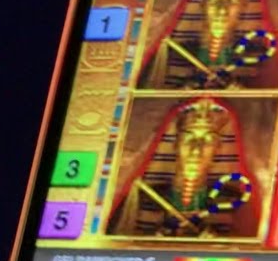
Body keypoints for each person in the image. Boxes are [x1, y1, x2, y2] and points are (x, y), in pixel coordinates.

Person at [108, 97, 255, 237]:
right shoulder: (145, 196)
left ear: (218, 148)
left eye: (207, 140)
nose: (196, 150)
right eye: (188, 138)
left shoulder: (229, 200)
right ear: (175, 143)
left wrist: (216, 243)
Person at [139, 0, 278, 90]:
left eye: (233, 1)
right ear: (202, 3)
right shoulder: (177, 52)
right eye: (214, 0)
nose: (222, 10)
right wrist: (188, 88)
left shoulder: (255, 54)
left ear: (244, 6)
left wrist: (237, 90)